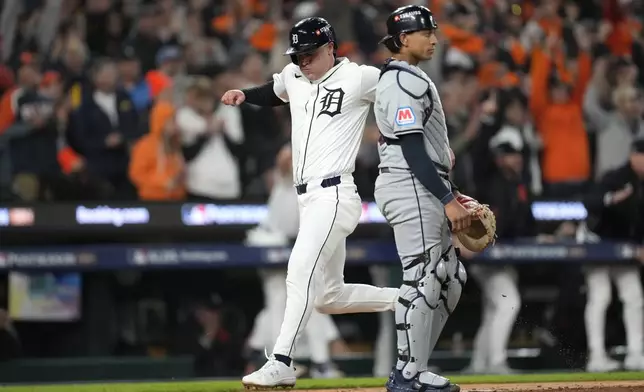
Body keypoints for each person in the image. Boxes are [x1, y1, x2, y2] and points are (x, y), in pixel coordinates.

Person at [221, 17, 399, 388]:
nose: (303, 61)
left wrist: (432, 137)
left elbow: (405, 89)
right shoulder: (293, 75)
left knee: (298, 271)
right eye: (298, 54)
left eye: (310, 53)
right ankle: (413, 297)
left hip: (335, 194)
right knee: (328, 297)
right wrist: (244, 94)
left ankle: (282, 360)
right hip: (306, 199)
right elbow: (273, 91)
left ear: (331, 48)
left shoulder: (360, 77)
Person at [372, 6, 472, 392]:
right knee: (424, 277)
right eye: (424, 33)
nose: (433, 38)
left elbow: (425, 152)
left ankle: (414, 366)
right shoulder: (400, 82)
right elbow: (412, 149)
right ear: (401, 40)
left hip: (423, 184)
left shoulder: (412, 77)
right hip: (408, 183)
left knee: (451, 278)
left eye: (433, 31)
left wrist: (453, 194)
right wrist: (447, 199)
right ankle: (407, 373)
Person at [244, 144, 344, 378]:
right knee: (278, 306)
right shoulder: (283, 184)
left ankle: (321, 363)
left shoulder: (315, 183)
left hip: (299, 248)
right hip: (273, 248)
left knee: (313, 304)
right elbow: (285, 161)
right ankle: (279, 363)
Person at [581, 136, 644, 372]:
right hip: (597, 242)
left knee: (634, 296)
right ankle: (596, 356)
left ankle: (636, 354)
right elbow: (588, 201)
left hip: (624, 248)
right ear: (634, 156)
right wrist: (611, 199)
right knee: (600, 295)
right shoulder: (616, 177)